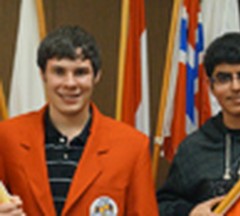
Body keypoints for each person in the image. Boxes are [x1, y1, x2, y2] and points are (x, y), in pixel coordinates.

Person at [0, 25, 158, 216]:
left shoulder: (132, 146)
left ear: (96, 76)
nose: (70, 83)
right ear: (43, 75)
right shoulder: (7, 137)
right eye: (59, 71)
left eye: (80, 72)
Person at [157, 32, 240, 216]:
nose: (235, 87)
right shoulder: (194, 148)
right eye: (224, 78)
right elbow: (163, 205)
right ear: (210, 85)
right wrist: (190, 211)